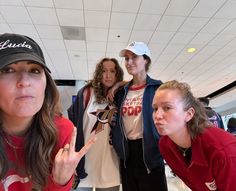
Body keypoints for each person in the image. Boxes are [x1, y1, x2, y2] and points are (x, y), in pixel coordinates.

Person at [0, 33, 95, 191]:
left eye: (34, 70)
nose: (24, 81)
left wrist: (61, 180)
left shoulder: (62, 131)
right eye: (8, 70)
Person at [152, 80, 236, 191]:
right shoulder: (165, 145)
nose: (157, 115)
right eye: (155, 108)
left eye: (167, 108)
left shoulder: (222, 151)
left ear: (189, 114)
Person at [111, 41, 168, 191]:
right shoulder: (122, 92)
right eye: (127, 58)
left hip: (151, 151)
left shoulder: (158, 88)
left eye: (134, 57)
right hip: (127, 154)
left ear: (146, 60)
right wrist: (118, 85)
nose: (129, 62)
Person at [67, 58, 124, 191]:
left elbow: (138, 82)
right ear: (99, 73)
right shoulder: (87, 93)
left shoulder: (121, 95)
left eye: (112, 71)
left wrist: (117, 86)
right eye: (103, 71)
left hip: (110, 165)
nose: (108, 75)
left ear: (117, 74)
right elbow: (73, 126)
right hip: (83, 165)